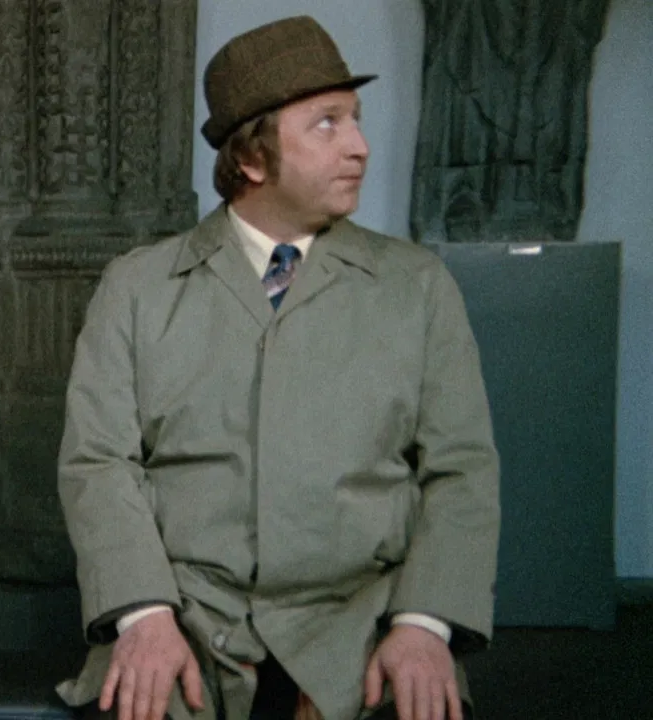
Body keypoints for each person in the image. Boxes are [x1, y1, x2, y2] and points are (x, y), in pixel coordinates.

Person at [55, 16, 498, 720]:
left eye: (355, 119)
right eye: (327, 124)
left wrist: (424, 625)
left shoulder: (416, 287)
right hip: (190, 623)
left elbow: (461, 470)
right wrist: (143, 614)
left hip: (362, 626)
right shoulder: (138, 289)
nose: (359, 146)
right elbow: (99, 463)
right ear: (253, 159)